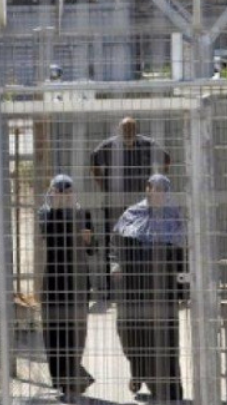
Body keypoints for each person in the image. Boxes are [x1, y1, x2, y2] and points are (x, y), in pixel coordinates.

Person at [110, 174, 186, 402]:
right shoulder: (132, 213)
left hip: (163, 287)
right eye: (154, 188)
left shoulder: (174, 217)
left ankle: (168, 390)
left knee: (164, 338)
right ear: (147, 189)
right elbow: (115, 244)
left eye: (163, 189)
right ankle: (139, 370)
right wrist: (115, 265)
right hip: (132, 285)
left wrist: (183, 288)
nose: (158, 193)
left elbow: (183, 254)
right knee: (128, 331)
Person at [91, 117, 171, 295]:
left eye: (131, 130)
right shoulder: (109, 146)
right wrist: (103, 184)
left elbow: (166, 158)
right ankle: (112, 289)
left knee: (141, 240)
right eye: (124, 130)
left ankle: (141, 285)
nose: (127, 134)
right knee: (114, 242)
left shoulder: (146, 144)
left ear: (136, 131)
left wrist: (157, 183)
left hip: (140, 205)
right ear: (119, 130)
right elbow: (94, 162)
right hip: (115, 203)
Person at [38, 174, 95, 401]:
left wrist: (89, 240)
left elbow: (93, 249)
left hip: (78, 282)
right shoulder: (45, 213)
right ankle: (64, 380)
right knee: (53, 332)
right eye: (59, 191)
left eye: (68, 192)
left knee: (76, 332)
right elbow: (48, 235)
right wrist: (57, 208)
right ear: (52, 193)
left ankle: (72, 378)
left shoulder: (83, 214)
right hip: (54, 281)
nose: (64, 196)